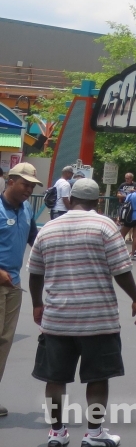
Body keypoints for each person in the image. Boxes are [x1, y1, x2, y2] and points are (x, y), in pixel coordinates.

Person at [28, 177, 136, 447]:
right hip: (98, 319)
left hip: (57, 319)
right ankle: (94, 434)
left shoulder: (48, 228)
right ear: (97, 202)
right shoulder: (106, 226)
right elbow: (121, 271)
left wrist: (37, 303)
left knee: (55, 378)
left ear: (70, 200)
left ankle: (57, 433)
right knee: (98, 377)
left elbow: (35, 273)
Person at [0, 163, 41, 417]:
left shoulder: (27, 209)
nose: (29, 190)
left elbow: (36, 241)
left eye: (32, 186)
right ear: (11, 181)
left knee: (4, 342)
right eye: (25, 184)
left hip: (13, 285)